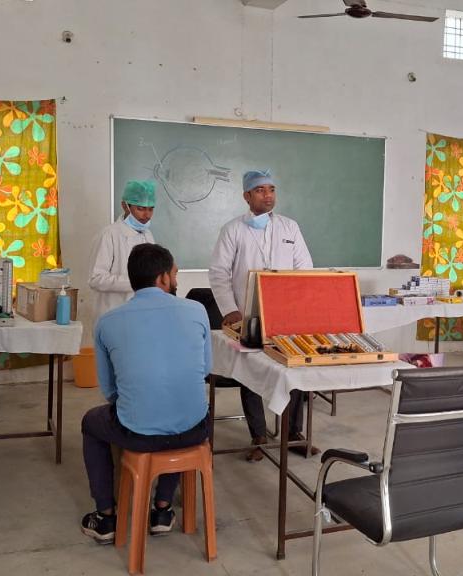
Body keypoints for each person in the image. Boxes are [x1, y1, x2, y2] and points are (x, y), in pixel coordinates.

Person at [80, 243, 211, 544]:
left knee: (91, 422)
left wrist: (142, 404)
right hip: (194, 430)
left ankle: (105, 516)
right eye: (175, 274)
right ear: (163, 278)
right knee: (185, 409)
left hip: (137, 433)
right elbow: (205, 370)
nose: (176, 280)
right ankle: (162, 510)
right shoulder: (197, 311)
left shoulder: (108, 322)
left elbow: (109, 390)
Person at [208, 169, 318, 462]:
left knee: (294, 369)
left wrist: (300, 307)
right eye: (260, 190)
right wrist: (230, 310)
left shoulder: (289, 227)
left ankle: (293, 434)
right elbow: (219, 273)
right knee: (250, 371)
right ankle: (258, 435)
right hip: (248, 315)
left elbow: (304, 269)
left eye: (271, 189)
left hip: (286, 316)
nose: (267, 196)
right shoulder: (232, 230)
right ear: (246, 196)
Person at [88, 180, 157, 319]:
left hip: (141, 314)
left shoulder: (148, 235)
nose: (147, 215)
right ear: (125, 206)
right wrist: (137, 282)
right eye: (141, 208)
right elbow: (96, 279)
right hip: (113, 314)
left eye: (150, 209)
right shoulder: (109, 235)